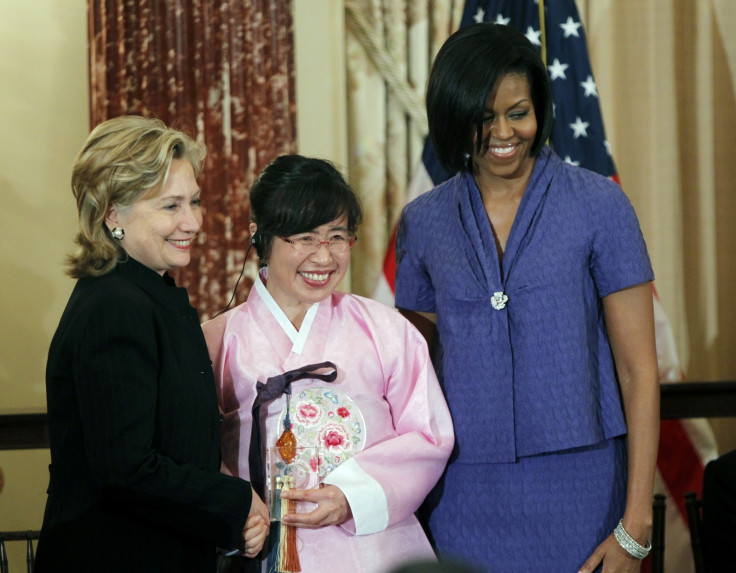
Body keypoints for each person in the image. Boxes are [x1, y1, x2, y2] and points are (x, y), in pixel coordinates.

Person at [394, 23, 659, 573]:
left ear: (540, 110)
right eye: (483, 117)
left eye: (518, 112)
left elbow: (638, 372)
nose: (503, 132)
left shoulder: (600, 206)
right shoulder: (422, 221)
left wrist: (636, 525)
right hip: (460, 496)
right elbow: (409, 380)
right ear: (453, 116)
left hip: (583, 491)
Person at [35, 115, 269, 573]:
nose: (193, 221)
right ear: (113, 215)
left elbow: (175, 442)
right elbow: (125, 469)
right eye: (170, 207)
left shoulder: (147, 295)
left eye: (195, 202)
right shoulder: (114, 307)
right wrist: (235, 501)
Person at [202, 154, 454, 573]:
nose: (324, 257)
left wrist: (350, 496)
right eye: (303, 237)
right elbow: (196, 451)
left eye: (337, 236)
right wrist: (234, 512)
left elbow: (428, 435)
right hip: (262, 551)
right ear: (259, 235)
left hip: (374, 551)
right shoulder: (215, 341)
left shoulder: (386, 330)